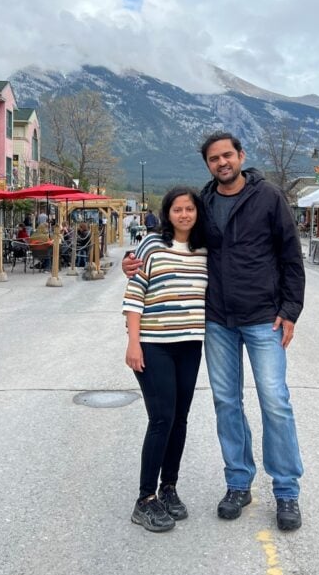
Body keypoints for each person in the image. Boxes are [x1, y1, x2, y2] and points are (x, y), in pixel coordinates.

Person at [123, 131, 305, 532]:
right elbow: (173, 238)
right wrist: (131, 259)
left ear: (241, 156)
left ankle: (287, 490)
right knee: (227, 402)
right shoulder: (203, 202)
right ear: (207, 164)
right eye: (213, 158)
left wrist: (290, 310)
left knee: (275, 400)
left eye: (227, 155)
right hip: (218, 320)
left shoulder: (269, 197)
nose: (222, 163)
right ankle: (238, 483)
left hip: (263, 318)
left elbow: (291, 255)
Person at [123, 187, 208, 532]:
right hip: (154, 344)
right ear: (168, 213)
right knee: (162, 418)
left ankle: (168, 487)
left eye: (189, 209)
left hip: (190, 345)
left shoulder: (204, 251)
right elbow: (134, 293)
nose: (184, 214)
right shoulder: (152, 246)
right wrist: (133, 343)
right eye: (177, 209)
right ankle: (144, 500)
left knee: (181, 419)